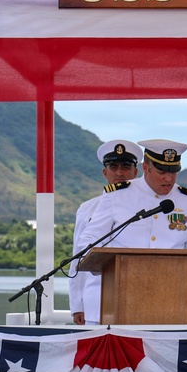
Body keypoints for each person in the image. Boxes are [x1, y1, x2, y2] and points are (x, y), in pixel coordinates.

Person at [78, 138, 187, 256]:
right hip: (122, 277)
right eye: (161, 172)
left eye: (173, 172)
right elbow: (90, 238)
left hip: (172, 280)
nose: (169, 178)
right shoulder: (116, 195)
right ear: (146, 168)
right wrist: (113, 260)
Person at [69, 139, 141, 325]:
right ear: (104, 172)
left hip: (137, 300)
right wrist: (77, 304)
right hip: (95, 301)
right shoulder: (87, 209)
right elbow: (77, 257)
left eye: (125, 166)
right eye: (113, 166)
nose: (119, 172)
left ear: (135, 171)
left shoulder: (147, 210)